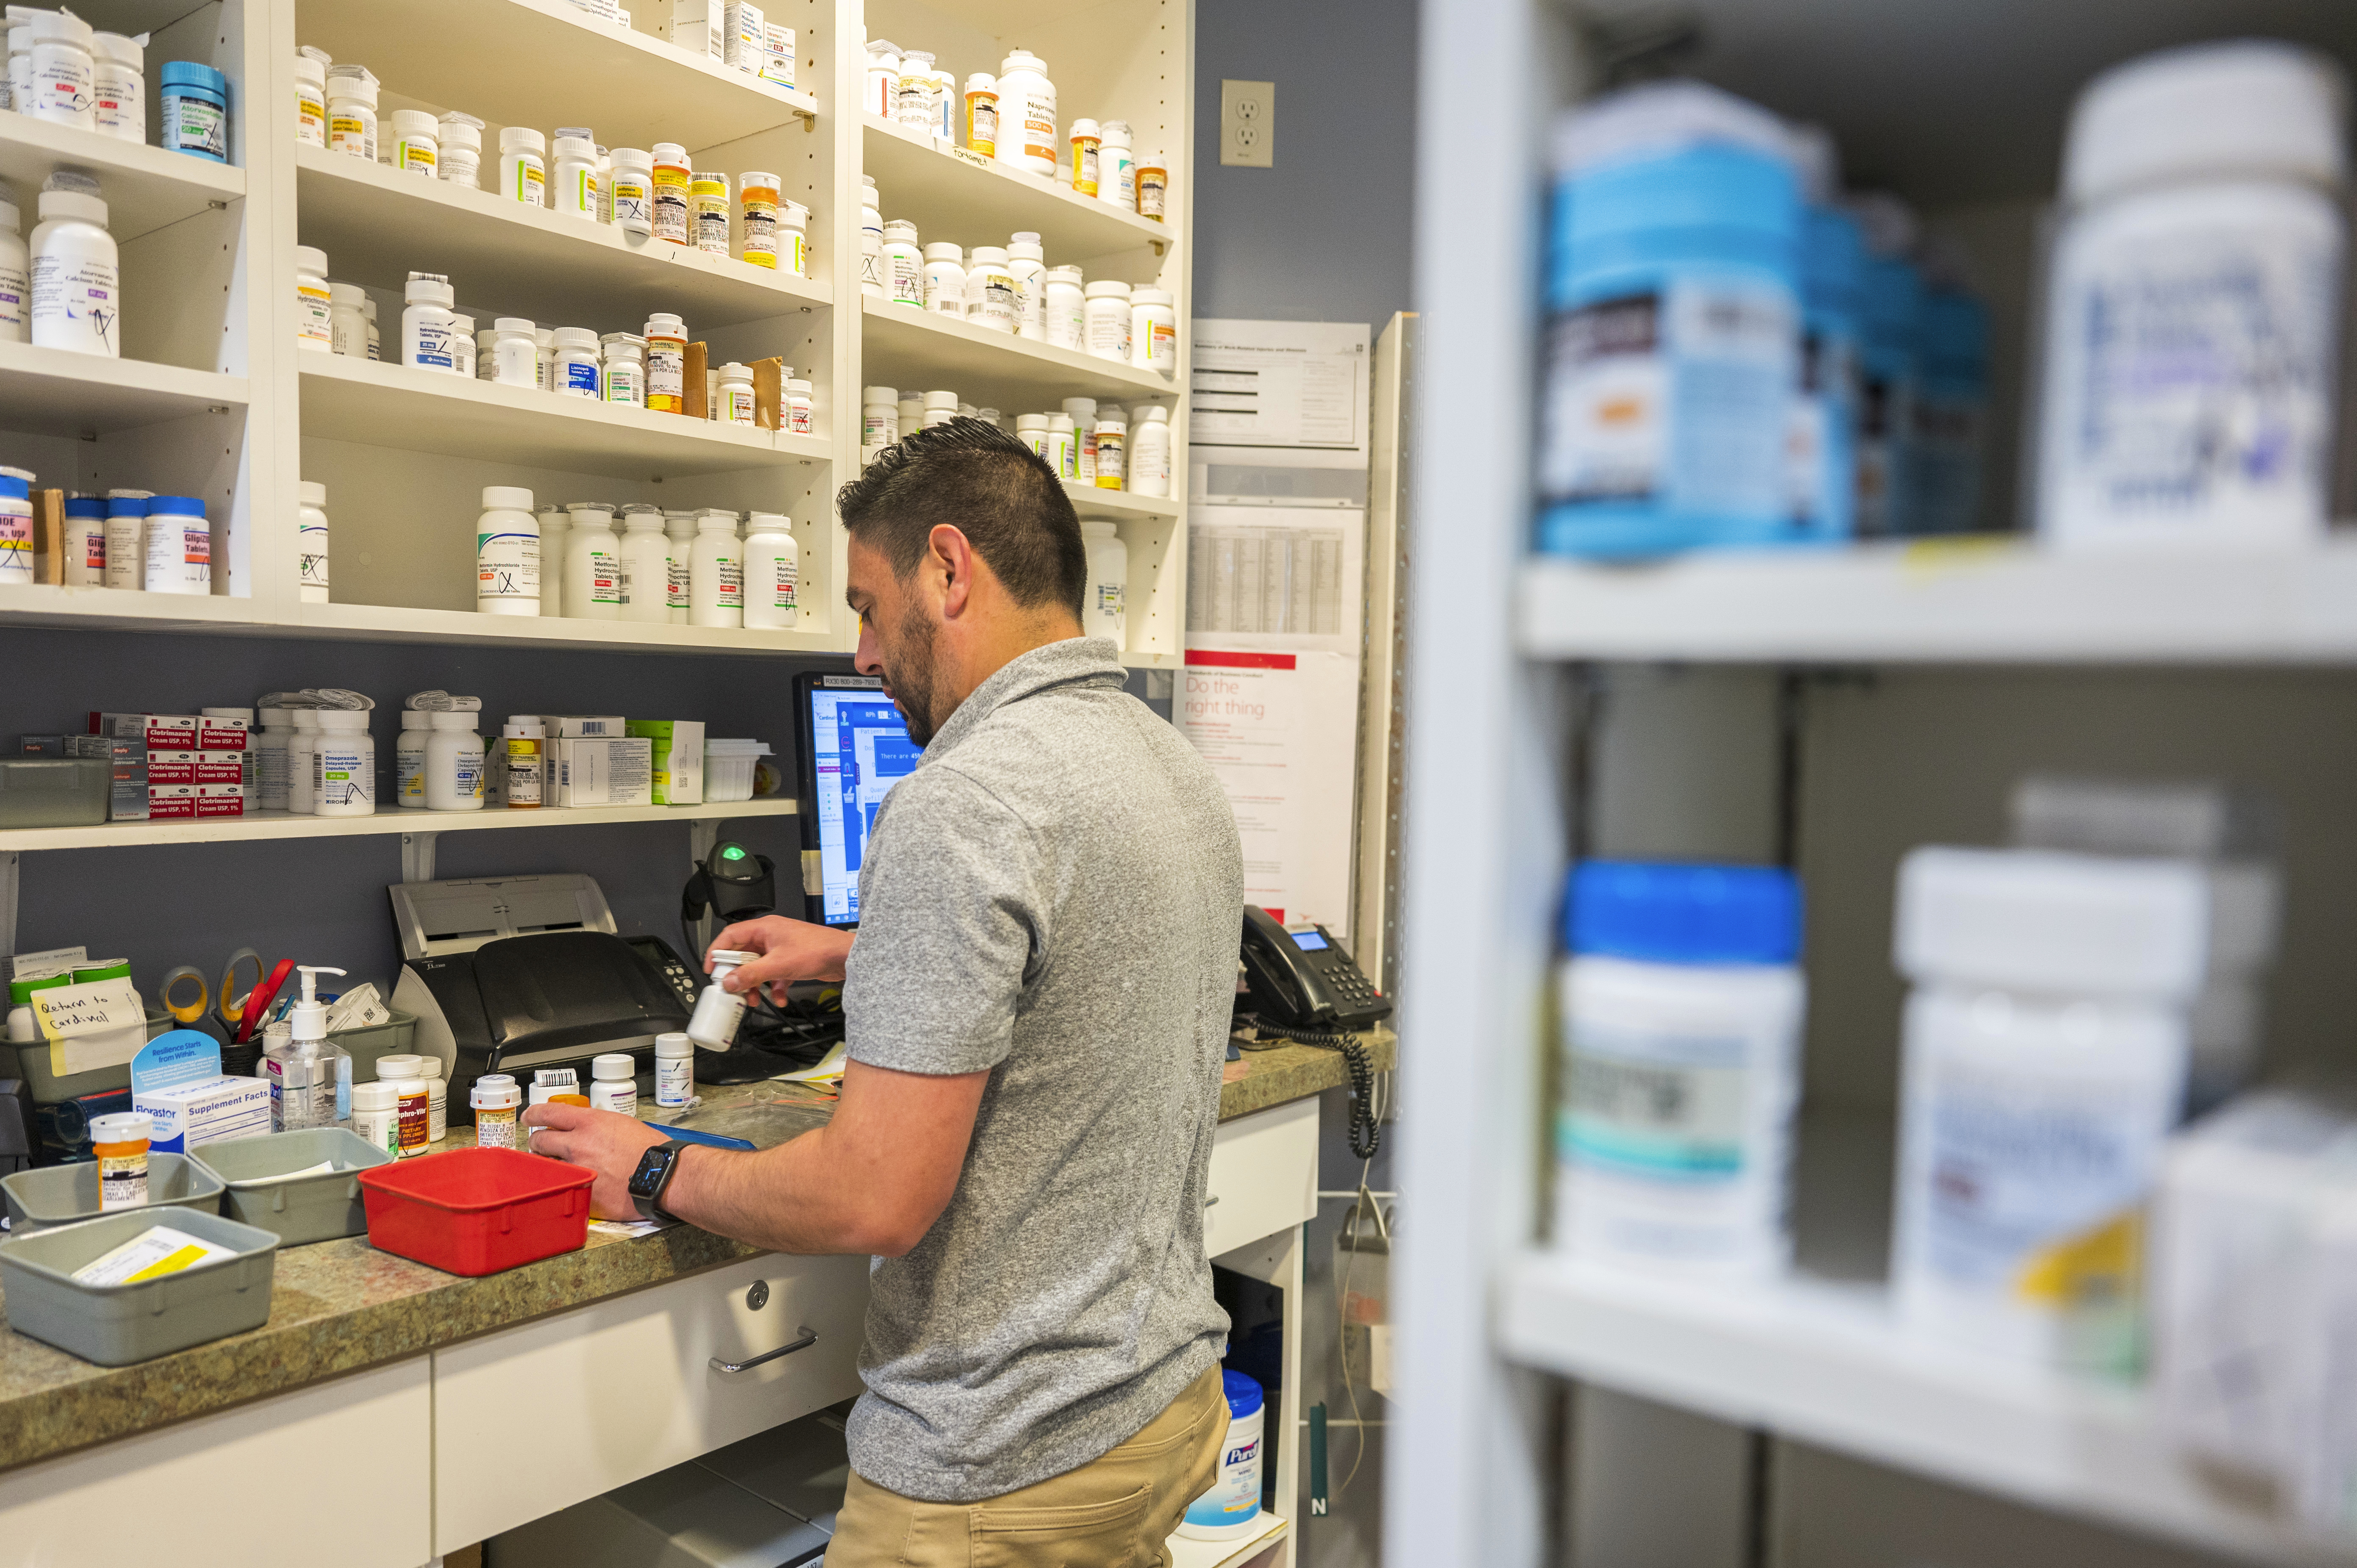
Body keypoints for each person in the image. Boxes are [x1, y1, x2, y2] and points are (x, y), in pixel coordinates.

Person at [526, 418, 1246, 1563]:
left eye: (865, 605)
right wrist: (855, 950)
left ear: (949, 570)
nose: (861, 653)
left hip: (997, 1469)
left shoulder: (966, 797)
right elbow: (1081, 946)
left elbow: (873, 1197)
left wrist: (650, 1163)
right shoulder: (1163, 758)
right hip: (1154, 1406)